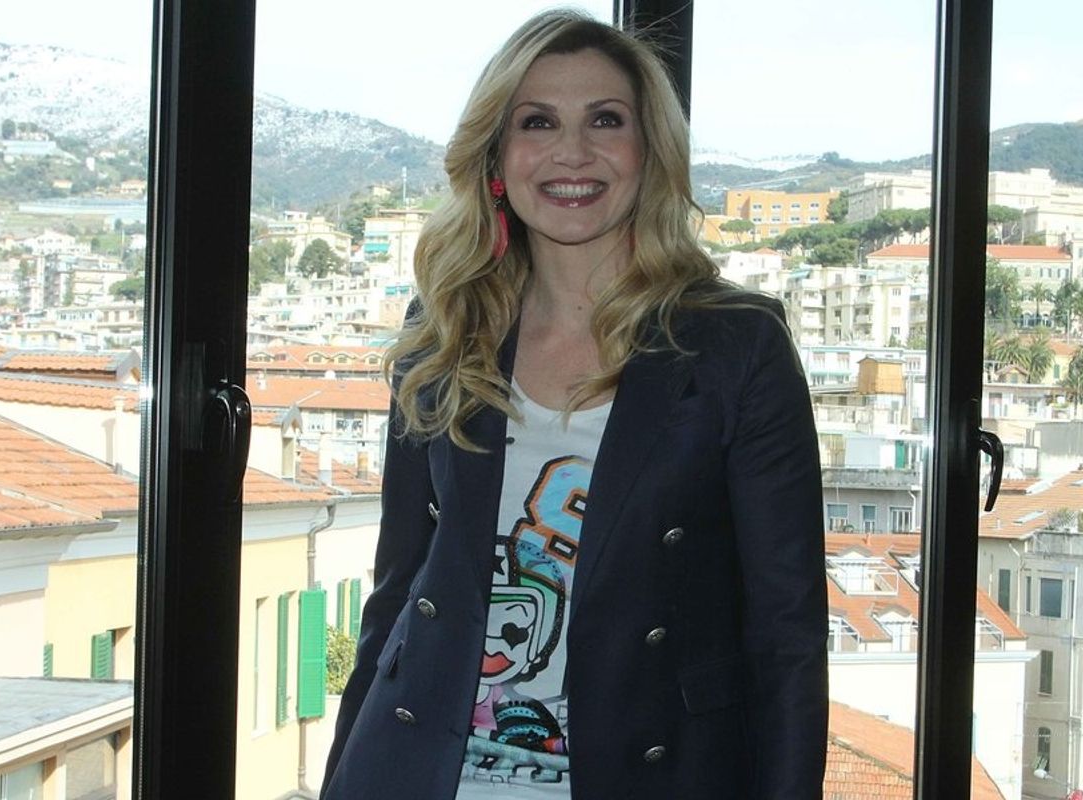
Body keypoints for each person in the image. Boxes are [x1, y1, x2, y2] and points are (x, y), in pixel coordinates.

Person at [322, 10, 827, 799]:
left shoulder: (736, 345)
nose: (572, 152)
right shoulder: (445, 331)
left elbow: (786, 632)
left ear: (649, 151)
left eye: (605, 120)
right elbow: (397, 595)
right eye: (537, 122)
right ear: (496, 156)